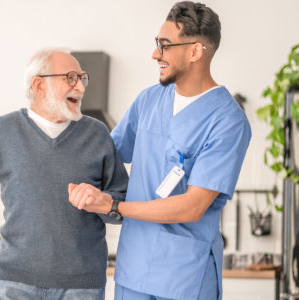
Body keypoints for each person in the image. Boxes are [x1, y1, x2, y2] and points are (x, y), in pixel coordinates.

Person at [69, 2, 251, 300]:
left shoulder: (227, 120)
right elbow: (105, 157)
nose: (156, 54)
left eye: (165, 46)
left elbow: (193, 206)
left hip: (185, 278)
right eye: (158, 44)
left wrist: (114, 206)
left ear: (195, 51)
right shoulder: (149, 100)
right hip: (133, 270)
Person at [0, 48, 128, 300]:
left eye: (82, 78)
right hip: (16, 284)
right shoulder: (3, 132)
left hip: (82, 286)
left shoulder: (97, 134)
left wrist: (103, 203)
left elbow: (122, 203)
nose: (80, 88)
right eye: (70, 78)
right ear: (39, 85)